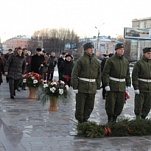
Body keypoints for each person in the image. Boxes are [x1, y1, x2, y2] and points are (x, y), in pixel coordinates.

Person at [71, 42, 101, 123]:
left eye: (92, 48)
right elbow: (75, 74)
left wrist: (98, 86)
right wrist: (75, 86)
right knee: (80, 106)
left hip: (92, 87)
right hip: (82, 87)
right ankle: (80, 121)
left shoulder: (97, 61)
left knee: (90, 106)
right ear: (85, 50)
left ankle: (86, 118)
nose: (91, 50)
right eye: (89, 48)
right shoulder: (80, 61)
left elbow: (99, 75)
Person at [102, 43, 131, 123]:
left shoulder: (125, 61)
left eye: (123, 49)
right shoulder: (111, 60)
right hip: (112, 85)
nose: (122, 51)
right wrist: (106, 84)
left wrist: (128, 84)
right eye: (120, 49)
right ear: (116, 50)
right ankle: (110, 119)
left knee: (120, 104)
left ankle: (115, 119)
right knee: (110, 104)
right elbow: (105, 73)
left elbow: (127, 74)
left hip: (121, 86)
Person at [132, 47, 151, 119]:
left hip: (149, 88)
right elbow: (134, 76)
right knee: (139, 105)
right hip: (141, 87)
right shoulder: (139, 63)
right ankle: (138, 119)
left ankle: (143, 119)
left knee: (147, 105)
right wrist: (136, 87)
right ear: (144, 54)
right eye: (148, 53)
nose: (150, 55)